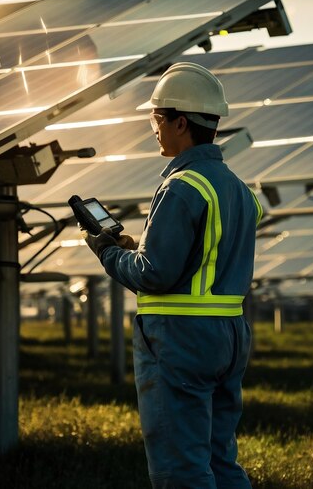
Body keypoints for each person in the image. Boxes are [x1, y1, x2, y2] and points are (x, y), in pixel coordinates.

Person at [83, 62, 263, 489]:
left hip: (181, 338)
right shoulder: (238, 189)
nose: (154, 129)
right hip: (230, 335)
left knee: (180, 468)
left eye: (156, 119)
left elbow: (155, 275)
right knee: (221, 461)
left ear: (180, 122)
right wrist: (137, 250)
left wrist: (108, 252)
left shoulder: (182, 185)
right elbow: (202, 262)